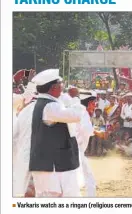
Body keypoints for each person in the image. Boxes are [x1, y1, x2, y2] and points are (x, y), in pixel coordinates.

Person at [16, 69, 83, 197]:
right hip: (51, 165)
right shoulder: (50, 106)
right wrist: (76, 98)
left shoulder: (46, 103)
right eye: (61, 83)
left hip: (52, 164)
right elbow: (76, 115)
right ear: (53, 87)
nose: (63, 86)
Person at [77, 91, 97, 197]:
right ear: (89, 103)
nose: (95, 106)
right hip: (77, 151)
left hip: (77, 150)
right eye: (94, 103)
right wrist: (97, 132)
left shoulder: (81, 112)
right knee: (89, 178)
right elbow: (86, 129)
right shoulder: (83, 113)